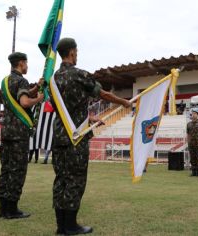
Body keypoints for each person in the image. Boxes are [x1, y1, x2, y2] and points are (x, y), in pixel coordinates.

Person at [50, 38, 131, 235]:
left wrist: (90, 117)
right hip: (75, 138)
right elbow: (102, 93)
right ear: (71, 52)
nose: (77, 55)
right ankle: (70, 226)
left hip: (59, 135)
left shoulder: (53, 79)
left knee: (61, 179)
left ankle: (61, 225)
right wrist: (123, 102)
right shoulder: (79, 74)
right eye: (76, 51)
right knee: (75, 180)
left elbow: (64, 108)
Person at [0, 52, 44, 219]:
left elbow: (19, 97)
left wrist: (36, 87)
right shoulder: (21, 80)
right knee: (17, 171)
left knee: (6, 169)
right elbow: (24, 102)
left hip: (7, 131)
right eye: (26, 63)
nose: (27, 66)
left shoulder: (6, 81)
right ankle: (12, 210)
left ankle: (4, 209)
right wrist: (39, 98)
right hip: (18, 133)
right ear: (22, 63)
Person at [186, 110, 198, 177]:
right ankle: (193, 172)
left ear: (197, 115)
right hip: (191, 144)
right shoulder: (189, 124)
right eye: (192, 114)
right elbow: (188, 134)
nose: (193, 115)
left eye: (195, 114)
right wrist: (188, 142)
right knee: (192, 158)